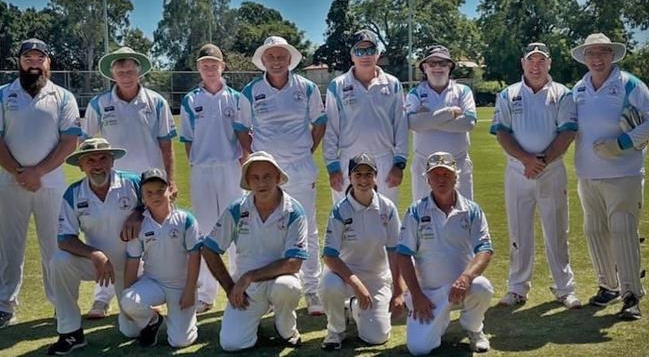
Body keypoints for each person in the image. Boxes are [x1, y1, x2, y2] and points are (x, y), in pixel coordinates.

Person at [83, 46, 177, 319]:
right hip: (112, 185)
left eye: (130, 69)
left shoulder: (156, 101)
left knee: (150, 239)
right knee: (109, 238)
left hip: (151, 184)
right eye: (120, 70)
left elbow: (166, 145)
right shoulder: (98, 104)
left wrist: (170, 182)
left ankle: (148, 293)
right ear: (113, 73)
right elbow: (85, 145)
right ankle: (102, 299)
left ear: (139, 71)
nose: (125, 74)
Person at [235, 36, 326, 315]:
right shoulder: (250, 91)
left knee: (308, 229)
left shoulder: (307, 88)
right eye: (271, 57)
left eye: (281, 56)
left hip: (300, 169)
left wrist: (305, 150)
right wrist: (258, 159)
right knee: (267, 231)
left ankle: (312, 291)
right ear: (263, 60)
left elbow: (320, 123)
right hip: (265, 175)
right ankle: (271, 292)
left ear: (290, 59)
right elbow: (241, 128)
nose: (276, 61)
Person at [490, 42, 581, 309]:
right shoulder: (508, 94)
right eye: (532, 60)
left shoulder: (563, 94)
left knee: (556, 230)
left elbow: (567, 133)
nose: (536, 65)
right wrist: (526, 160)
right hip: (518, 171)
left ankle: (565, 288)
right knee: (519, 230)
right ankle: (518, 287)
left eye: (542, 60)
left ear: (549, 64)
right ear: (523, 63)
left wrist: (540, 161)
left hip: (551, 170)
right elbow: (502, 133)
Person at [0, 38, 81, 328]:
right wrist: (20, 172)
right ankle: (4, 305)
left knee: (55, 247)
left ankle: (60, 303)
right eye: (28, 58)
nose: (34, 63)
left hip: (51, 184)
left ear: (48, 62)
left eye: (39, 58)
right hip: (10, 184)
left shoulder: (63, 96)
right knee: (9, 248)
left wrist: (38, 172)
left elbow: (70, 141)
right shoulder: (3, 94)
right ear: (19, 62)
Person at [571, 33, 649, 320]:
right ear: (585, 57)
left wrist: (623, 143)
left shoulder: (630, 84)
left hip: (623, 173)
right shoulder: (579, 88)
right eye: (592, 52)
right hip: (587, 174)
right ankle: (608, 285)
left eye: (603, 52)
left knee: (622, 230)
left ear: (612, 55)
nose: (597, 58)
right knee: (594, 231)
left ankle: (631, 295)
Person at [201, 151, 307, 351]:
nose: (262, 183)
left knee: (287, 287)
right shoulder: (237, 209)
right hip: (247, 289)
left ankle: (285, 327)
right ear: (248, 182)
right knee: (231, 343)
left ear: (277, 178)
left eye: (267, 176)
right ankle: (254, 319)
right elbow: (209, 249)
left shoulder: (294, 211)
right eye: (255, 178)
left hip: (281, 280)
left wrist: (250, 276)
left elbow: (294, 262)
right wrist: (230, 288)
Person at [47, 138, 141, 354]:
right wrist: (95, 254)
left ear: (112, 161)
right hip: (100, 267)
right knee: (59, 262)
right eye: (90, 160)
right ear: (81, 166)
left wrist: (138, 213)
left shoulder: (133, 182)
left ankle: (147, 310)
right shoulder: (73, 193)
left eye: (103, 158)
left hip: (134, 265)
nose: (97, 165)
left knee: (132, 331)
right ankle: (70, 332)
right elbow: (65, 239)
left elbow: (161, 206)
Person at [397, 152, 493, 355]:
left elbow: (484, 250)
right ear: (428, 179)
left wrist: (466, 277)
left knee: (482, 287)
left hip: (462, 287)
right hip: (427, 294)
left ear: (456, 177)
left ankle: (474, 329)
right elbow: (403, 255)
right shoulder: (415, 211)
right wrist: (416, 295)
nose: (441, 179)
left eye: (446, 174)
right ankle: (440, 321)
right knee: (419, 349)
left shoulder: (472, 210)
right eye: (436, 175)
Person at [319, 153, 405, 351]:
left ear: (375, 177)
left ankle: (355, 309)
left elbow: (395, 251)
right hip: (344, 275)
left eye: (368, 174)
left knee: (377, 337)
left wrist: (399, 292)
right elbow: (329, 255)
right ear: (350, 178)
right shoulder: (340, 210)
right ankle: (336, 329)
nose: (363, 180)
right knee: (329, 283)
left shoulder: (387, 208)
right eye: (358, 175)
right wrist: (356, 284)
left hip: (377, 277)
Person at [180, 43, 243, 313]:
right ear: (198, 68)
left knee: (238, 229)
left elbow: (243, 135)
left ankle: (242, 286)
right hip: (202, 170)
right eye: (204, 64)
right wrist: (198, 163)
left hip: (232, 168)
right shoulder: (190, 100)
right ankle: (207, 294)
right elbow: (187, 140)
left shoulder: (237, 98)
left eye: (213, 64)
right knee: (205, 230)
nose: (209, 68)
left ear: (222, 66)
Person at [323, 29, 408, 207]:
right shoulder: (337, 86)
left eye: (370, 50)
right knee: (347, 222)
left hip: (384, 162)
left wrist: (399, 163)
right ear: (352, 55)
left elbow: (400, 125)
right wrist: (333, 167)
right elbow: (331, 129)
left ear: (378, 54)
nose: (365, 56)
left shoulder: (392, 84)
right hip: (348, 162)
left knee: (385, 219)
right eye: (360, 51)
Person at [121, 168, 201, 347]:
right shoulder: (139, 224)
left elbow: (195, 257)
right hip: (153, 282)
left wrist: (189, 291)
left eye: (160, 190)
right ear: (143, 197)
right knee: (128, 301)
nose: (155, 196)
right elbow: (133, 260)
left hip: (181, 286)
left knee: (180, 342)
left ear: (170, 190)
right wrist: (127, 298)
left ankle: (184, 318)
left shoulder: (186, 220)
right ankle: (153, 320)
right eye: (149, 193)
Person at [406, 45, 476, 201]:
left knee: (463, 217)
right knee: (424, 219)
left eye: (443, 63)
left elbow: (468, 123)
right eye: (432, 63)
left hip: (459, 164)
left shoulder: (463, 91)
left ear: (450, 67)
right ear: (424, 67)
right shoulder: (415, 93)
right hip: (424, 165)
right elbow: (412, 123)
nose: (437, 67)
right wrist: (449, 113)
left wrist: (427, 119)